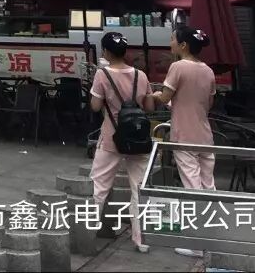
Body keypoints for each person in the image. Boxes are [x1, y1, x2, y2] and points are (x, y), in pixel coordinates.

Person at [89, 31, 155, 254]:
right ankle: (141, 239)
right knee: (139, 188)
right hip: (139, 138)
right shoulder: (141, 75)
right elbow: (149, 108)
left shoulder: (102, 75)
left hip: (111, 138)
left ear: (106, 52)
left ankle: (87, 234)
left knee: (98, 187)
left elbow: (95, 106)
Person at [151, 25, 216, 191]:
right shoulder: (208, 71)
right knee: (208, 183)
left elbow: (165, 97)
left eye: (172, 39)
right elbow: (207, 104)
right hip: (205, 135)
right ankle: (213, 207)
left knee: (192, 183)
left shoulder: (178, 67)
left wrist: (156, 95)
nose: (170, 43)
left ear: (183, 45)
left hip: (184, 135)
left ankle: (198, 208)